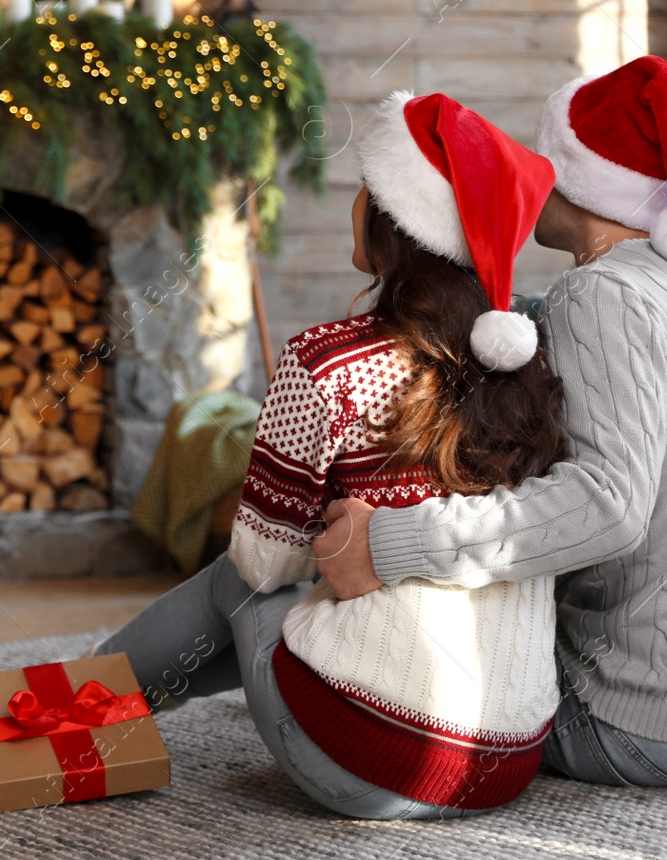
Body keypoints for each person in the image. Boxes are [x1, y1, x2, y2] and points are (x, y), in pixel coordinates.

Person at [315, 56, 667, 787]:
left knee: (397, 658)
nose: (533, 172)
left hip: (654, 726)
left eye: (546, 154)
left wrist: (389, 542)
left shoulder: (597, 295)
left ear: (583, 175)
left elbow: (603, 506)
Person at [96, 91, 570, 818]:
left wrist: (331, 536)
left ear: (393, 222)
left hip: (367, 766)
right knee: (300, 582)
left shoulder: (326, 362)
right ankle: (109, 699)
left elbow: (264, 566)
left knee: (240, 579)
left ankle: (81, 699)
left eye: (362, 189)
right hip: (504, 765)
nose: (354, 203)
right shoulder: (527, 368)